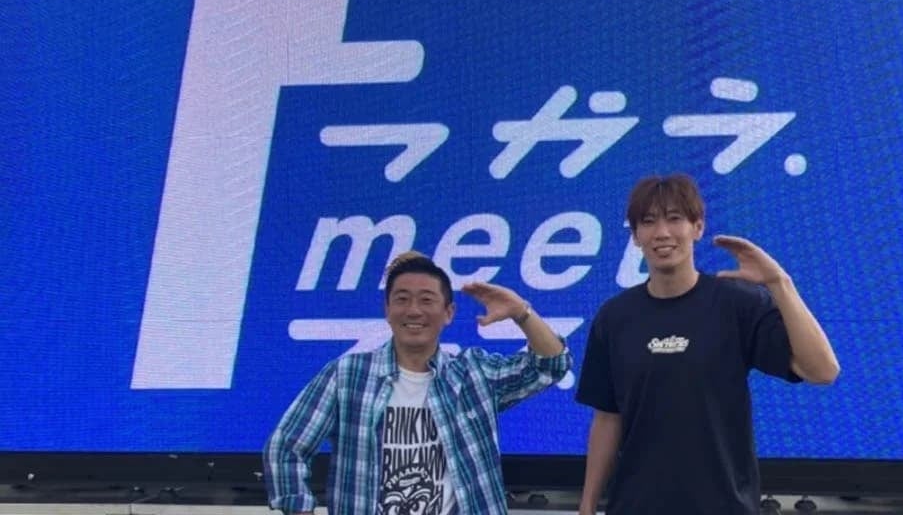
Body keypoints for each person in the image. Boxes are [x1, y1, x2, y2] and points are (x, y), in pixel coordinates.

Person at [576, 173, 840, 515]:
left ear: (697, 227)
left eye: (675, 218)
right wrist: (587, 505)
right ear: (636, 236)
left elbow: (822, 371)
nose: (662, 233)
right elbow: (608, 418)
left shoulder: (737, 304)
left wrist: (779, 282)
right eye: (648, 222)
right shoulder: (614, 317)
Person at [263, 250, 571, 515]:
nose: (414, 310)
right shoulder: (348, 375)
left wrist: (521, 312)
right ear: (387, 310)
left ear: (448, 313)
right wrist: (300, 506)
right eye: (402, 299)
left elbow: (551, 365)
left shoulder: (473, 374)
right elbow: (285, 447)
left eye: (426, 300)